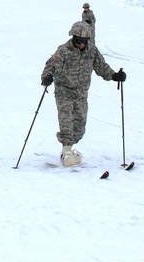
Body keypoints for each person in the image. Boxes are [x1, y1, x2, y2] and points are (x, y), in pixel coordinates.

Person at [40, 21, 126, 166]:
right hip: (64, 90)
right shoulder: (63, 50)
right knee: (66, 119)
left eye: (85, 41)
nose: (81, 44)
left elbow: (101, 67)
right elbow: (51, 65)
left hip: (81, 92)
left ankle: (70, 148)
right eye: (79, 41)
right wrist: (47, 77)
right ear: (73, 38)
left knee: (80, 125)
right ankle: (66, 149)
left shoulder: (92, 50)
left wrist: (114, 76)